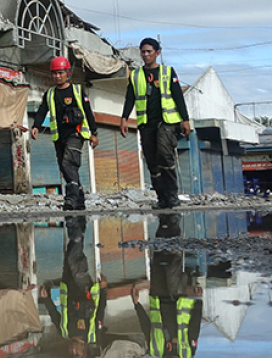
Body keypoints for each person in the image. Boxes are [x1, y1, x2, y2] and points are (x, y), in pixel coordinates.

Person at [120, 38, 192, 209]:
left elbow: (178, 96)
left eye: (149, 52)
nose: (145, 55)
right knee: (152, 161)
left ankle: (172, 195)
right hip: (146, 124)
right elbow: (130, 97)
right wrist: (123, 118)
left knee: (164, 154)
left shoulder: (167, 72)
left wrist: (185, 119)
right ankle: (162, 197)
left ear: (157, 53)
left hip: (166, 122)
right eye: (143, 52)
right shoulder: (136, 75)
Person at [30, 56, 99, 210]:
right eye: (54, 73)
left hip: (76, 134)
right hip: (58, 136)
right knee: (65, 167)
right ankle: (80, 199)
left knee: (69, 163)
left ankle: (71, 199)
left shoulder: (78, 91)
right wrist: (35, 126)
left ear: (67, 73)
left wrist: (94, 133)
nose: (57, 76)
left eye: (60, 73)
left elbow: (88, 112)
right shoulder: (50, 94)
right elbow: (42, 111)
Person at [132, 214, 203, 358]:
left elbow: (146, 327)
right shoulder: (187, 352)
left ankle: (163, 223)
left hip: (158, 298)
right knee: (173, 263)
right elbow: (194, 327)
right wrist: (199, 301)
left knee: (158, 260)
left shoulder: (155, 351)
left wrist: (136, 304)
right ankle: (174, 224)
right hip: (178, 297)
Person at [39, 216, 107, 357]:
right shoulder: (92, 333)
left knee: (71, 252)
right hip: (85, 287)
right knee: (74, 258)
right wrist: (104, 289)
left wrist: (46, 299)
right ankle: (74, 223)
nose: (72, 350)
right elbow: (100, 310)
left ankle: (80, 220)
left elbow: (53, 314)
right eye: (77, 353)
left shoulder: (64, 332)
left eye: (71, 353)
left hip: (68, 285)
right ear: (84, 351)